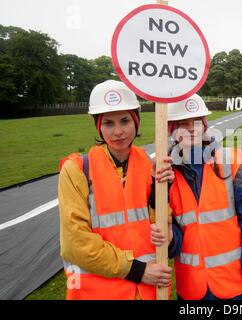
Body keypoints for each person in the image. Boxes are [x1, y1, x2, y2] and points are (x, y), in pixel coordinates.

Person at [58, 80, 182, 300]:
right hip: (96, 294)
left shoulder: (148, 164)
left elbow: (157, 226)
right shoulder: (76, 170)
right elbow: (74, 243)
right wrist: (138, 271)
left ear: (136, 120)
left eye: (125, 121)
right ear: (98, 125)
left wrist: (159, 191)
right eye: (108, 123)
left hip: (146, 293)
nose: (118, 132)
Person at [152, 94, 242, 300]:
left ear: (205, 125)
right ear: (172, 130)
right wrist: (170, 239)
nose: (191, 128)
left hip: (234, 287)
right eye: (182, 123)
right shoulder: (165, 175)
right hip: (192, 290)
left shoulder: (228, 163)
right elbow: (174, 236)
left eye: (197, 122)